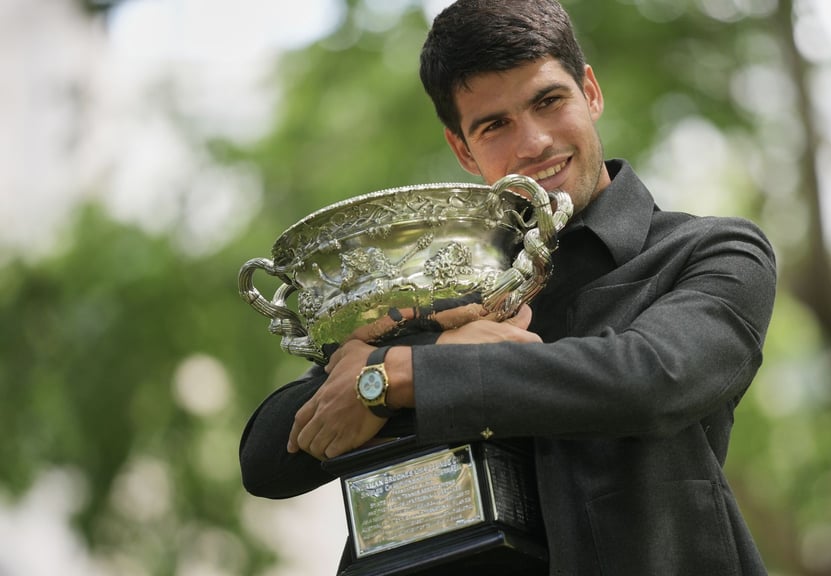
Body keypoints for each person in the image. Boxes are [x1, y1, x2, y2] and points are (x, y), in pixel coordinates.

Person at [239, 0, 776, 574]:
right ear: (463, 150)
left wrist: (405, 376)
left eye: (549, 101)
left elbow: (651, 379)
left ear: (590, 92)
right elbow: (268, 459)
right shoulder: (438, 280)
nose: (534, 142)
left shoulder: (714, 252)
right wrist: (424, 357)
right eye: (495, 125)